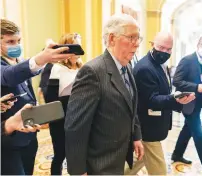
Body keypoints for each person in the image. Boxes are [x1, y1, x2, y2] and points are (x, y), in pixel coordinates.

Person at [64, 14, 144, 175]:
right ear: (112, 38)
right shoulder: (92, 72)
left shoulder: (126, 66)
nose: (136, 44)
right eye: (131, 38)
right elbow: (76, 126)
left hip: (120, 155)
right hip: (100, 162)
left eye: (138, 38)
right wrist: (78, 171)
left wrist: (136, 136)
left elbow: (130, 105)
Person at [1, 18, 74, 175]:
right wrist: (41, 58)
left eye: (18, 40)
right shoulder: (5, 67)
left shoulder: (18, 60)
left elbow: (27, 78)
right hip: (7, 140)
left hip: (28, 135)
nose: (16, 45)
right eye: (10, 41)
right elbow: (9, 76)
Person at [128, 32, 195, 175]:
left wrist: (176, 98)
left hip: (152, 127)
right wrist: (174, 99)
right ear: (152, 44)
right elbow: (150, 100)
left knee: (135, 163)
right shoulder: (145, 67)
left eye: (169, 49)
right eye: (161, 47)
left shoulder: (159, 64)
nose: (165, 52)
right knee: (160, 172)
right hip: (147, 128)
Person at [171, 35, 202, 170]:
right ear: (197, 44)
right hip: (188, 102)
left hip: (198, 104)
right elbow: (176, 81)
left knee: (187, 130)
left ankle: (177, 155)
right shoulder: (187, 60)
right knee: (200, 135)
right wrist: (195, 87)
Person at [44, 33, 83, 175]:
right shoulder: (57, 68)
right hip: (60, 118)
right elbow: (50, 98)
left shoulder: (81, 67)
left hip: (78, 117)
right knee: (60, 154)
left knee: (77, 154)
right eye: (76, 46)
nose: (79, 51)